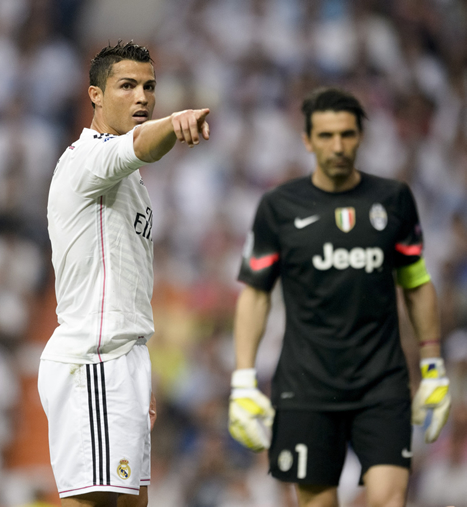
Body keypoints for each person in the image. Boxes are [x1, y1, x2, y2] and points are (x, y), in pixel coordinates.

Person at [228, 87, 451, 507]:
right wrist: (242, 381)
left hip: (381, 381)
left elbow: (416, 282)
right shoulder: (279, 207)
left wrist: (433, 364)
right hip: (306, 385)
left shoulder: (393, 200)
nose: (338, 146)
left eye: (347, 134)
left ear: (360, 136)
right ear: (307, 140)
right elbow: (254, 294)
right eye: (326, 136)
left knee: (389, 499)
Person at [38, 41, 209, 507]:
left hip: (124, 358)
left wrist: (139, 366)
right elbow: (139, 147)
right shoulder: (90, 158)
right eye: (127, 86)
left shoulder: (129, 183)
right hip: (92, 359)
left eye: (150, 87)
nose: (142, 98)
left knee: (135, 503)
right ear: (94, 95)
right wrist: (174, 125)